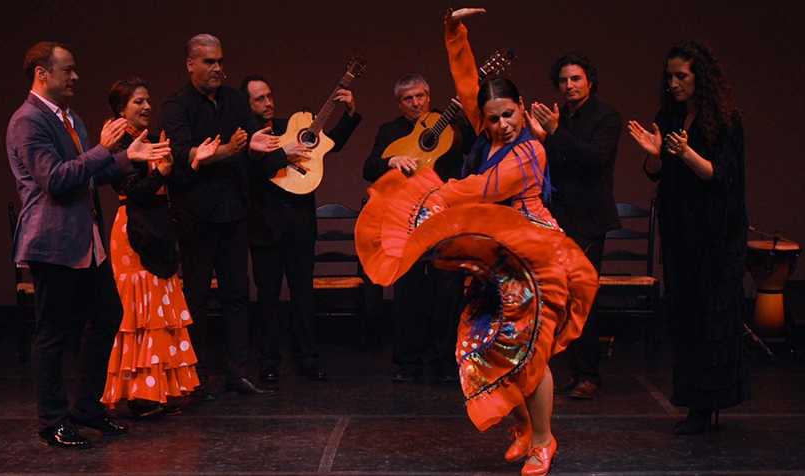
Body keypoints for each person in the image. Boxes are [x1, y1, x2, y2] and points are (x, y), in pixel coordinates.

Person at [356, 9, 599, 476]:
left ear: (523, 107)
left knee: (530, 351)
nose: (503, 124)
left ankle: (544, 441)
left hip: (534, 259)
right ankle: (524, 426)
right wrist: (453, 31)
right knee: (479, 349)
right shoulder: (485, 138)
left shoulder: (530, 150)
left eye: (509, 113)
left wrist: (421, 191)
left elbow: (482, 190)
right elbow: (469, 83)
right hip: (494, 259)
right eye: (493, 118)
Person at [7, 42, 170, 448]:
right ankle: (53, 421)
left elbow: (89, 177)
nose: (76, 77)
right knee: (54, 332)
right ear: (42, 73)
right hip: (54, 241)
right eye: (68, 70)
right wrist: (104, 150)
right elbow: (56, 181)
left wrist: (125, 157)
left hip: (87, 240)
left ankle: (87, 410)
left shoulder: (71, 119)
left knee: (107, 316)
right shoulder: (28, 121)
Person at [628, 40, 749, 435]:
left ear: (702, 78)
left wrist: (684, 153)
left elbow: (721, 176)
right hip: (680, 232)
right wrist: (655, 153)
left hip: (716, 235)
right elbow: (657, 171)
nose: (675, 83)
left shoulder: (727, 121)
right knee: (684, 318)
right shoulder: (670, 115)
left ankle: (707, 406)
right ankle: (693, 403)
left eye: (682, 75)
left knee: (710, 319)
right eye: (670, 76)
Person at [160, 34, 280, 399]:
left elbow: (253, 149)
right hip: (195, 213)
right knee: (196, 298)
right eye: (209, 62)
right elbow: (182, 154)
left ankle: (237, 373)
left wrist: (256, 149)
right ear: (190, 64)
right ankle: (196, 377)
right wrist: (228, 150)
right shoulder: (177, 105)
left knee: (236, 296)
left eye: (220, 61)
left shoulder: (234, 100)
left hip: (233, 213)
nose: (217, 68)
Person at [100, 78, 221, 418]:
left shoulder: (154, 141)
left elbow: (175, 185)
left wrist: (196, 162)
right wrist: (161, 173)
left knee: (158, 313)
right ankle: (138, 395)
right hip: (135, 232)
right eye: (139, 102)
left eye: (148, 100)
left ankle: (158, 391)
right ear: (121, 109)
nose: (147, 107)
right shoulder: (119, 145)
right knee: (139, 315)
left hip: (159, 228)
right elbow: (134, 190)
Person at [240, 75, 362, 382]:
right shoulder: (243, 138)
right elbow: (256, 170)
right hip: (265, 226)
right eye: (259, 99)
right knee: (267, 296)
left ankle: (308, 358)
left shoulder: (290, 125)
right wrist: (285, 153)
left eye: (269, 96)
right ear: (247, 104)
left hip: (300, 224)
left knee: (303, 293)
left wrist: (349, 115)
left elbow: (329, 144)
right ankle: (269, 361)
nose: (268, 103)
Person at [362, 74, 471, 382]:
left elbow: (475, 148)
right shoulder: (390, 131)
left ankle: (444, 362)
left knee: (447, 290)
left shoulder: (449, 125)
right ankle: (408, 363)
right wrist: (391, 161)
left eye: (420, 96)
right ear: (400, 103)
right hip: (404, 220)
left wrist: (463, 116)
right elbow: (368, 168)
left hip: (443, 214)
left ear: (429, 95)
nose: (416, 102)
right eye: (408, 98)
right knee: (408, 291)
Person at [530, 54, 622, 400]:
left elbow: (593, 158)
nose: (569, 86)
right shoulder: (560, 118)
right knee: (562, 297)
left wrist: (554, 133)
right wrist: (542, 139)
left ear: (590, 81)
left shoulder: (606, 117)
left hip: (588, 221)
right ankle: (575, 370)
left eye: (576, 79)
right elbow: (555, 165)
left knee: (584, 296)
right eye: (564, 80)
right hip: (558, 219)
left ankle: (589, 375)